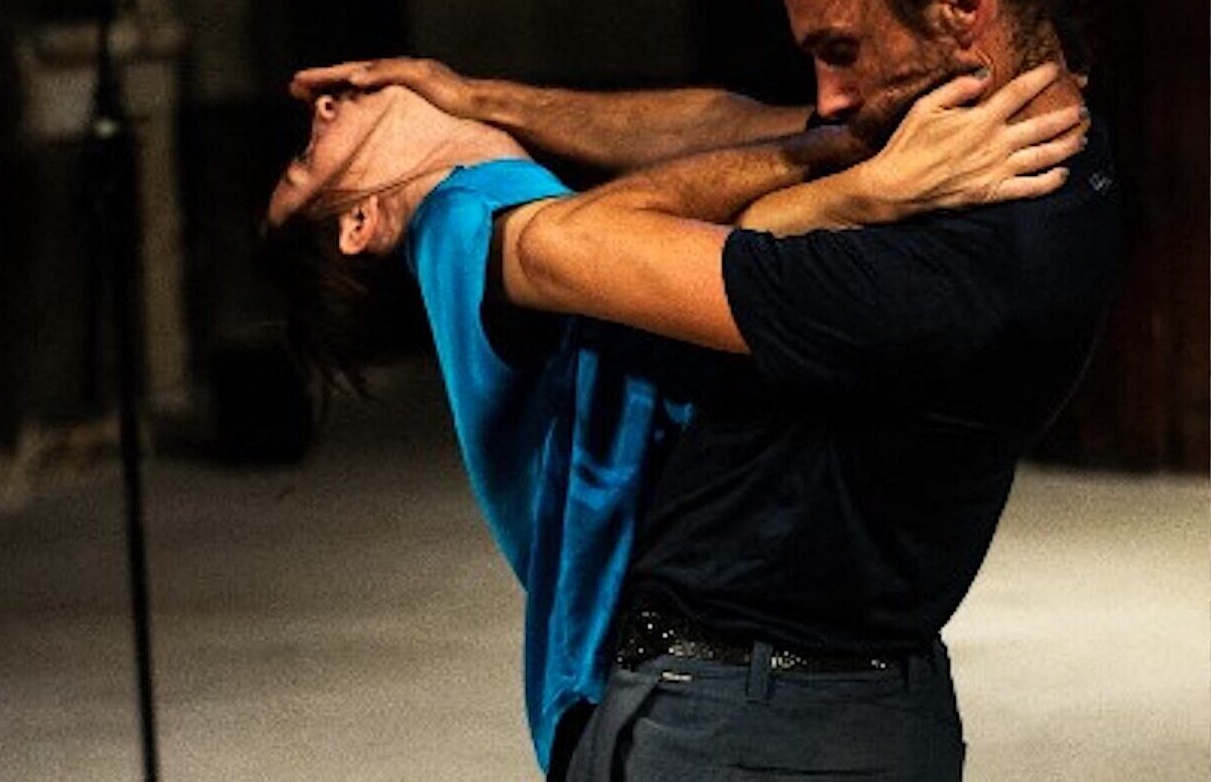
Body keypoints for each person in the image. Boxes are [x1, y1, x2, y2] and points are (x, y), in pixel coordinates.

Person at [287, 0, 1122, 778]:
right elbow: (723, 122)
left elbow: (553, 245)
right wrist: (477, 96)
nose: (827, 97)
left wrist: (839, 184)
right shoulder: (1024, 146)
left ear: (960, 4)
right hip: (815, 706)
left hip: (746, 730)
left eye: (840, 50)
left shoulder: (941, 265)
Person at [264, 63, 1081, 776]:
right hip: (647, 680)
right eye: (307, 159)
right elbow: (639, 243)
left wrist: (471, 92)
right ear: (359, 223)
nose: (325, 104)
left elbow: (713, 133)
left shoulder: (491, 204)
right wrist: (865, 180)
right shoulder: (454, 220)